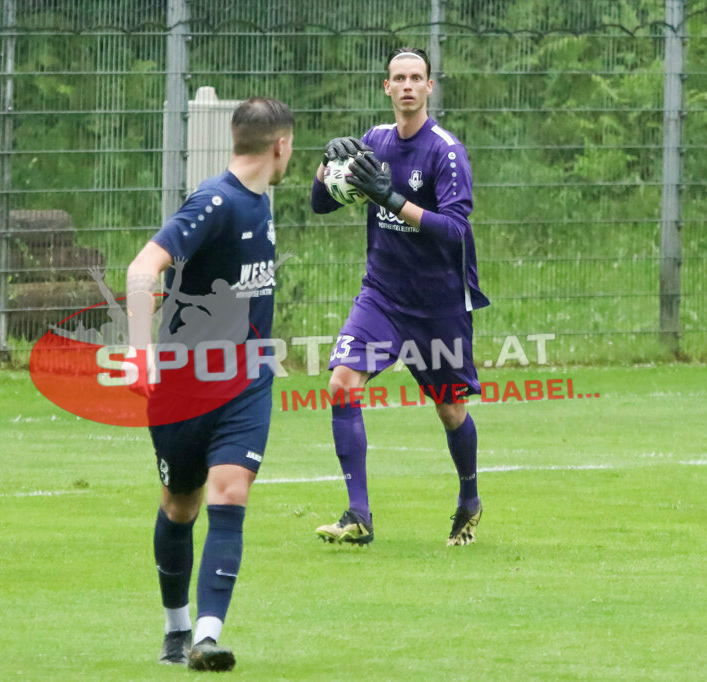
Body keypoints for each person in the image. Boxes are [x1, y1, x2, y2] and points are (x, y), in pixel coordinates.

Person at [126, 96, 294, 671]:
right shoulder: (215, 202)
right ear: (281, 145)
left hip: (245, 381)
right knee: (180, 504)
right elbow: (142, 269)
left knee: (230, 492)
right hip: (183, 387)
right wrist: (141, 354)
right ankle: (176, 629)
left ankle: (205, 637)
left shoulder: (260, 201)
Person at [310, 47, 489, 547]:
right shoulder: (373, 142)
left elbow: (454, 231)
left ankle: (470, 499)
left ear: (429, 87)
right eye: (399, 78)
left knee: (450, 410)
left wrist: (392, 199)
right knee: (342, 383)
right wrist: (326, 166)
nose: (408, 85)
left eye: (417, 77)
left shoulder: (445, 151)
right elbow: (319, 203)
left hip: (439, 306)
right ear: (386, 88)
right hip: (382, 297)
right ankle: (358, 516)